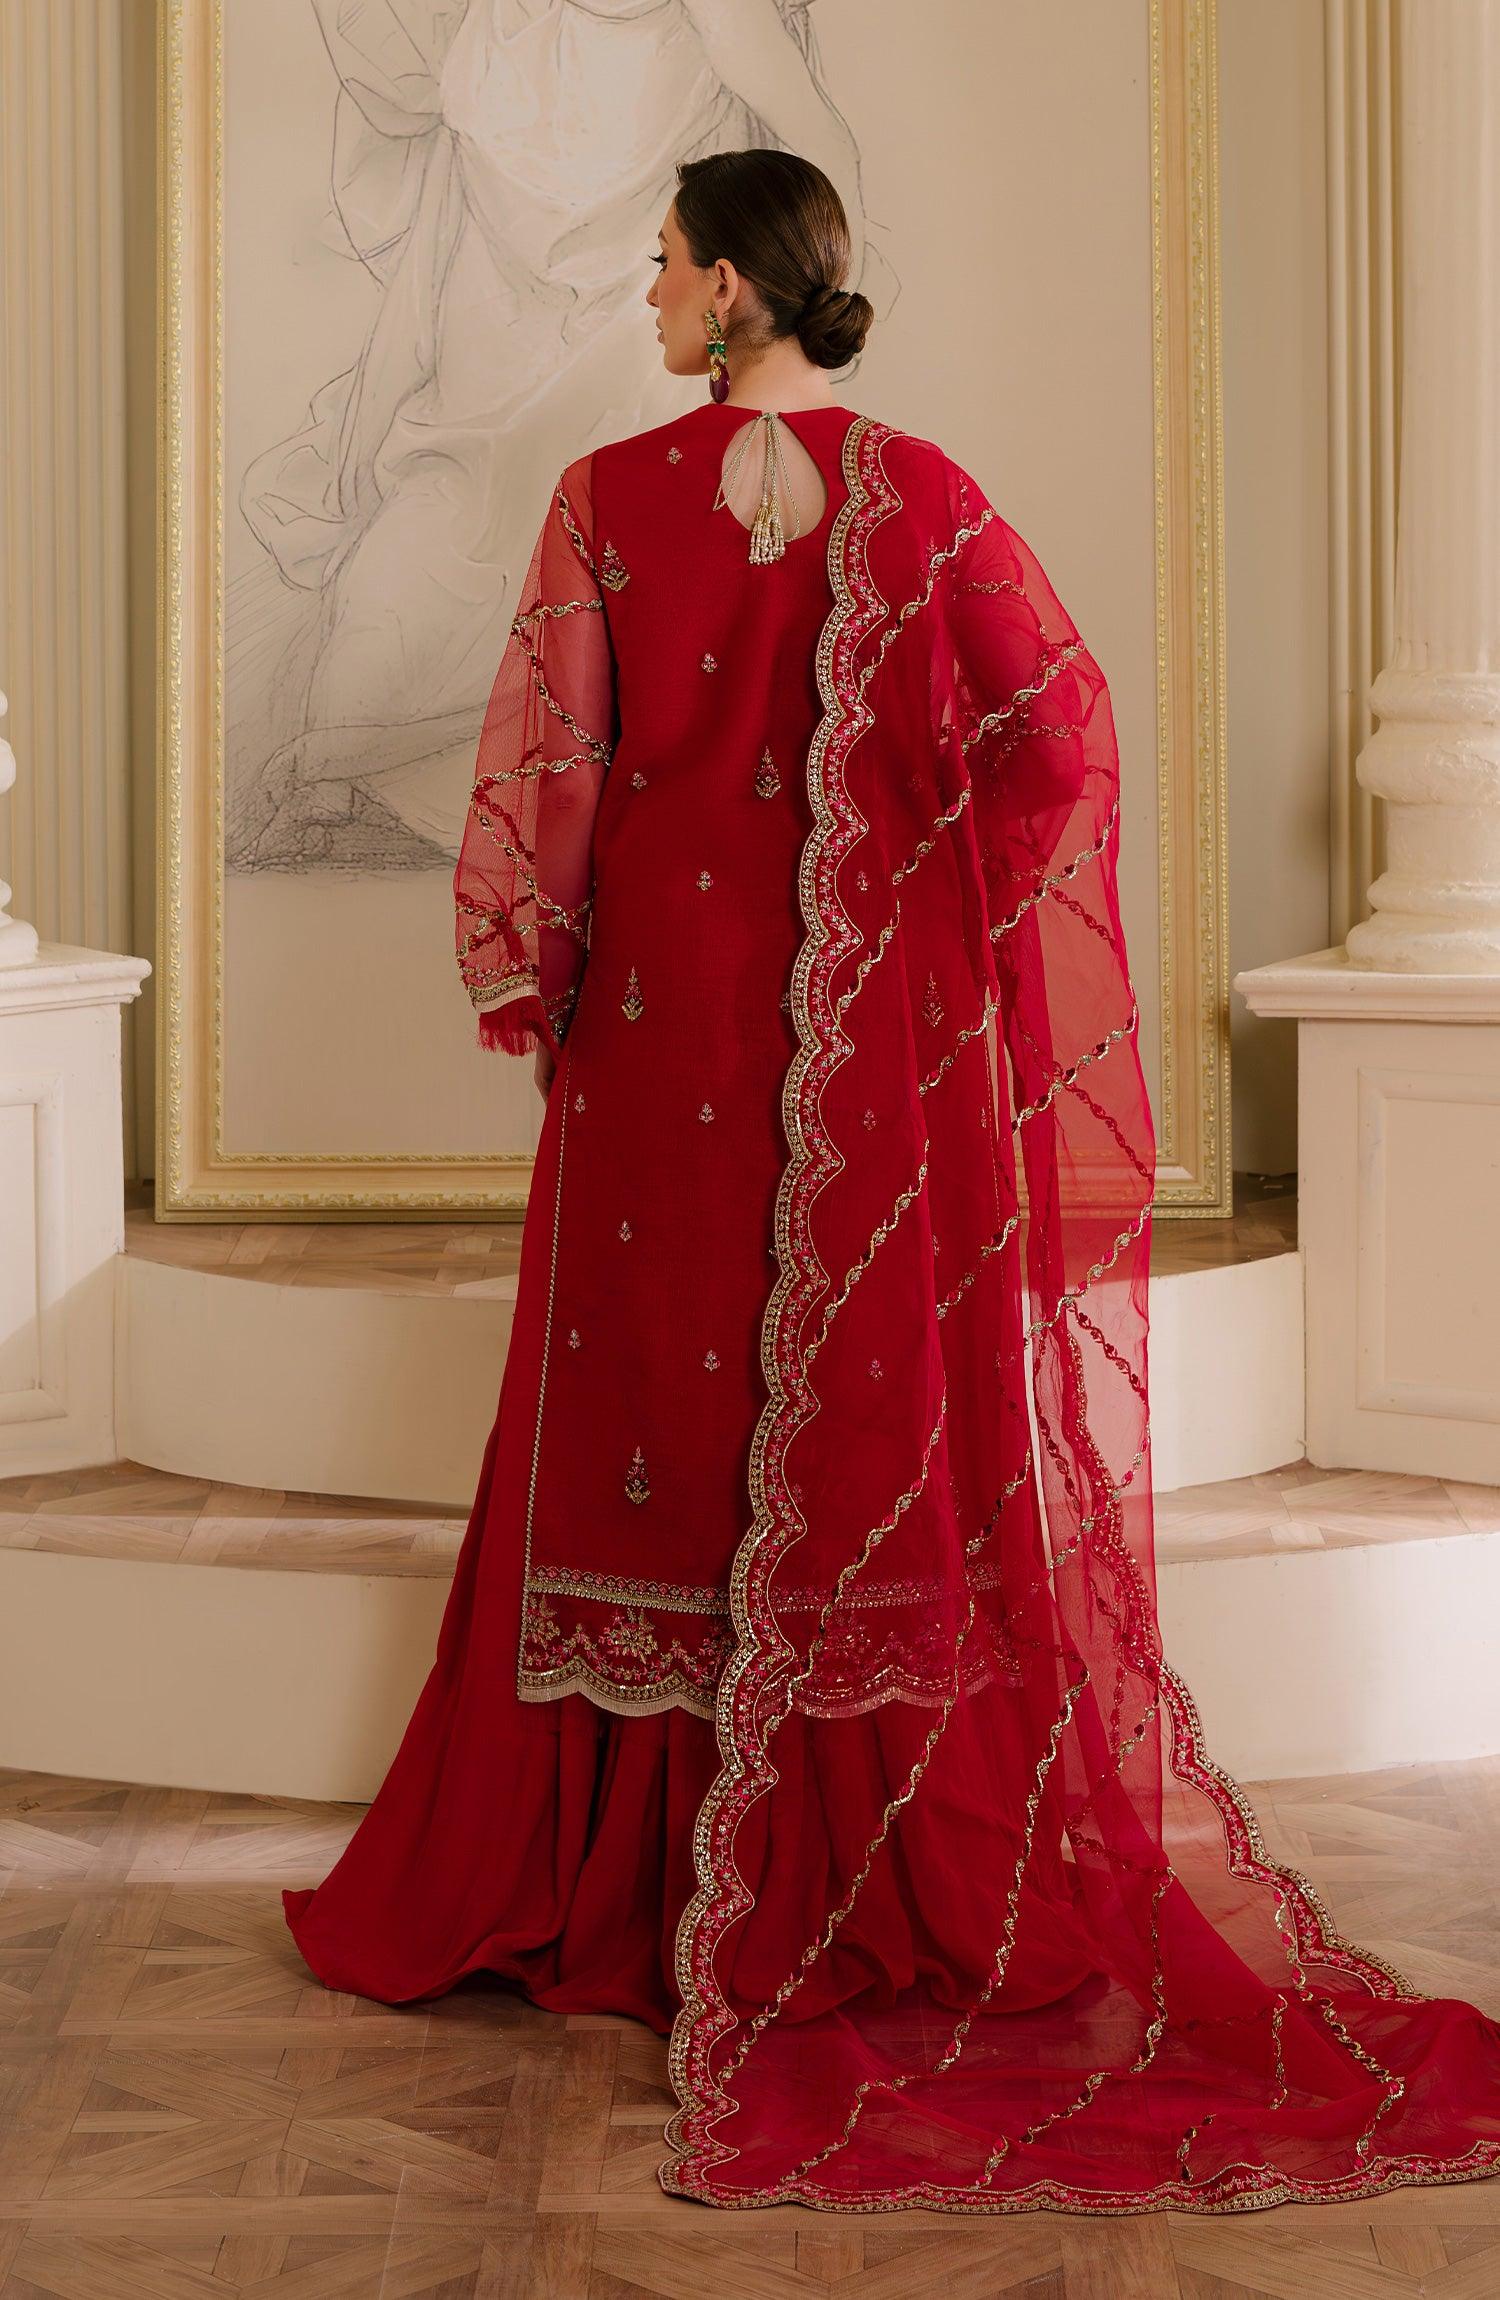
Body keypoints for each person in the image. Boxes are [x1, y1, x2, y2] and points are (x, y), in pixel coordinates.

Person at [285, 148, 1500, 2212]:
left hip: (666, 1030)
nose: (647, 296)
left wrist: (534, 969)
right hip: (860, 1058)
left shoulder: (609, 501)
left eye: (665, 265)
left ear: (733, 290)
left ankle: (625, 1881)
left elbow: (546, 780)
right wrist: (926, 928)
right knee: (841, 1413)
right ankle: (857, 1881)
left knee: (652, 1403)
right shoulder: (920, 497)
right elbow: (1062, 738)